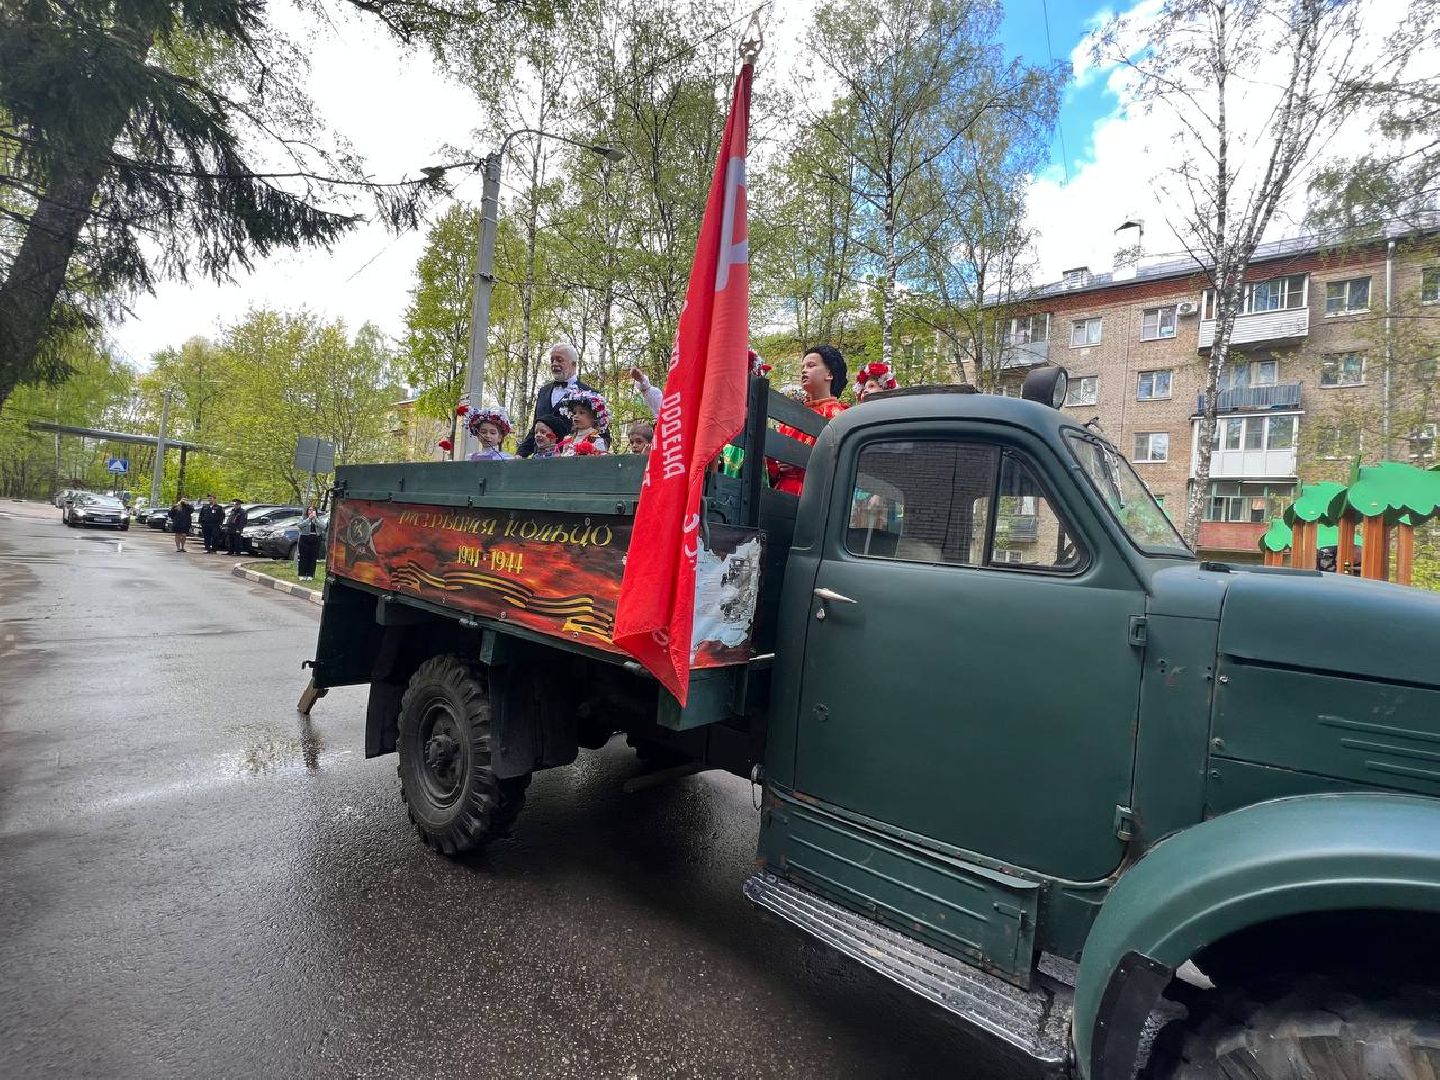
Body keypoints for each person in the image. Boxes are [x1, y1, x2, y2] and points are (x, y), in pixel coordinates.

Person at [769, 345, 849, 495]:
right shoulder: (792, 417)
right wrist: (777, 463)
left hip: (815, 495)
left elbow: (840, 463)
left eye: (811, 365)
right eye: (803, 367)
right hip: (780, 494)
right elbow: (772, 462)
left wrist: (799, 460)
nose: (804, 370)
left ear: (829, 374)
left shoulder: (839, 416)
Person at [518, 343, 595, 457]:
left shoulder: (589, 394)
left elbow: (601, 432)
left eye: (559, 360)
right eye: (552, 360)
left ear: (573, 364)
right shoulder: (543, 392)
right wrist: (520, 454)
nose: (554, 364)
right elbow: (535, 427)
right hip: (539, 461)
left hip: (571, 463)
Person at [557, 389, 610, 455]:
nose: (576, 416)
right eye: (574, 413)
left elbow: (600, 462)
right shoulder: (569, 439)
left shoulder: (596, 439)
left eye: (581, 413)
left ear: (593, 418)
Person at [296, 506, 324, 580]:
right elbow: (300, 525)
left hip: (315, 538)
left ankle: (310, 574)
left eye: (313, 510)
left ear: (316, 511)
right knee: (303, 557)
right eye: (310, 510)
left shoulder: (318, 519)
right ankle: (302, 574)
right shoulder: (303, 518)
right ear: (307, 511)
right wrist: (309, 519)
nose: (311, 511)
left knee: (312, 557)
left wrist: (315, 520)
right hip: (304, 538)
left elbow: (323, 526)